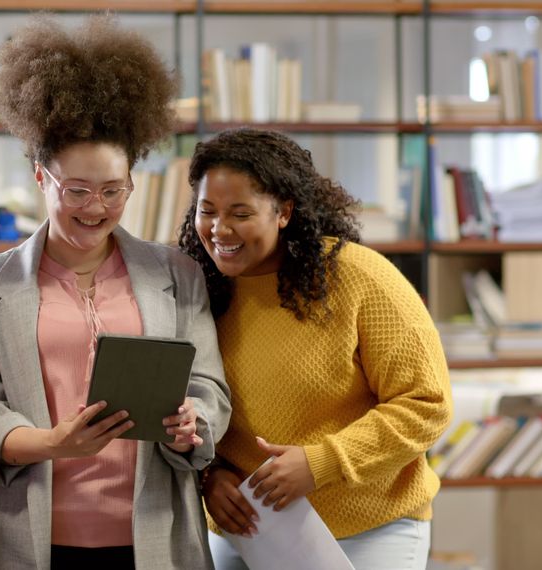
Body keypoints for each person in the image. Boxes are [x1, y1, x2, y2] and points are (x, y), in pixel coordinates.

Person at [0, 15, 232, 570]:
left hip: (150, 538)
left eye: (113, 190)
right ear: (39, 176)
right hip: (21, 540)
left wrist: (192, 423)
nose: (95, 208)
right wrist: (54, 443)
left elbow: (209, 389)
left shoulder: (178, 275)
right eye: (76, 190)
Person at [177, 128, 453, 570]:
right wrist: (208, 477)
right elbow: (191, 406)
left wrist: (321, 462)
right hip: (248, 529)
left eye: (240, 213)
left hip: (369, 526)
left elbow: (427, 404)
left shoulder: (359, 278)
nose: (218, 228)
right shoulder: (197, 291)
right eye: (206, 210)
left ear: (284, 211)